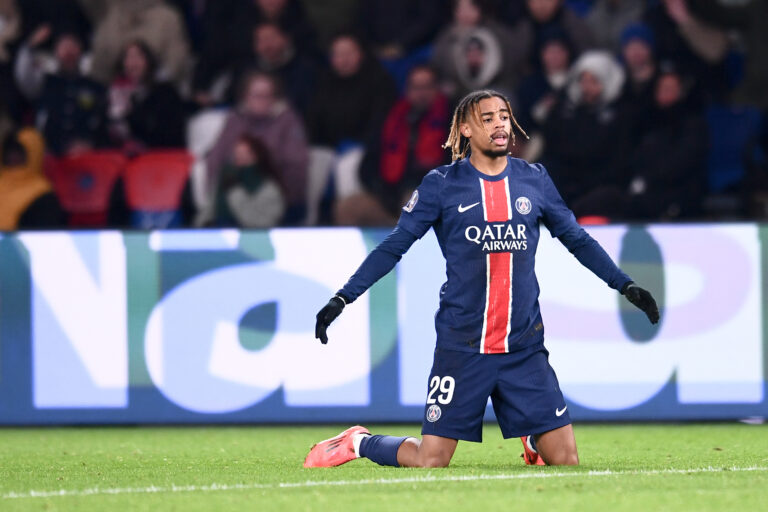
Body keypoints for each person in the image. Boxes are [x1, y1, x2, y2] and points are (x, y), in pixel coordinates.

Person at [304, 89, 659, 469]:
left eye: (504, 116)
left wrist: (624, 284)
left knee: (566, 460)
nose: (499, 124)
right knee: (431, 461)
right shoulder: (442, 184)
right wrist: (344, 297)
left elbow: (576, 238)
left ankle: (535, 438)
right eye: (487, 118)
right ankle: (358, 442)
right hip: (463, 346)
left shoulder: (534, 178)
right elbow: (394, 246)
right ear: (465, 129)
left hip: (523, 346)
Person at [205, 71, 308, 225]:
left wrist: (267, 190)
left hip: (276, 199)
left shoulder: (287, 121)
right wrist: (220, 191)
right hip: (233, 197)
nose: (261, 100)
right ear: (246, 97)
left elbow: (296, 164)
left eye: (266, 96)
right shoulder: (235, 119)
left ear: (275, 98)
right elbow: (216, 158)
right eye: (256, 95)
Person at [108, 40, 187, 150]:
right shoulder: (113, 95)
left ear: (149, 61)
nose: (133, 62)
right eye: (127, 57)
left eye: (138, 56)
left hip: (158, 156)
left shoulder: (165, 93)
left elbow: (169, 133)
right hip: (121, 157)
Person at [209, 135, 286, 228]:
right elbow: (209, 207)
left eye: (243, 153)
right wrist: (202, 225)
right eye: (236, 153)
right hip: (217, 235)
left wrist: (235, 191)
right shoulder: (226, 176)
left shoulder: (269, 188)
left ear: (255, 156)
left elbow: (262, 223)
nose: (238, 157)